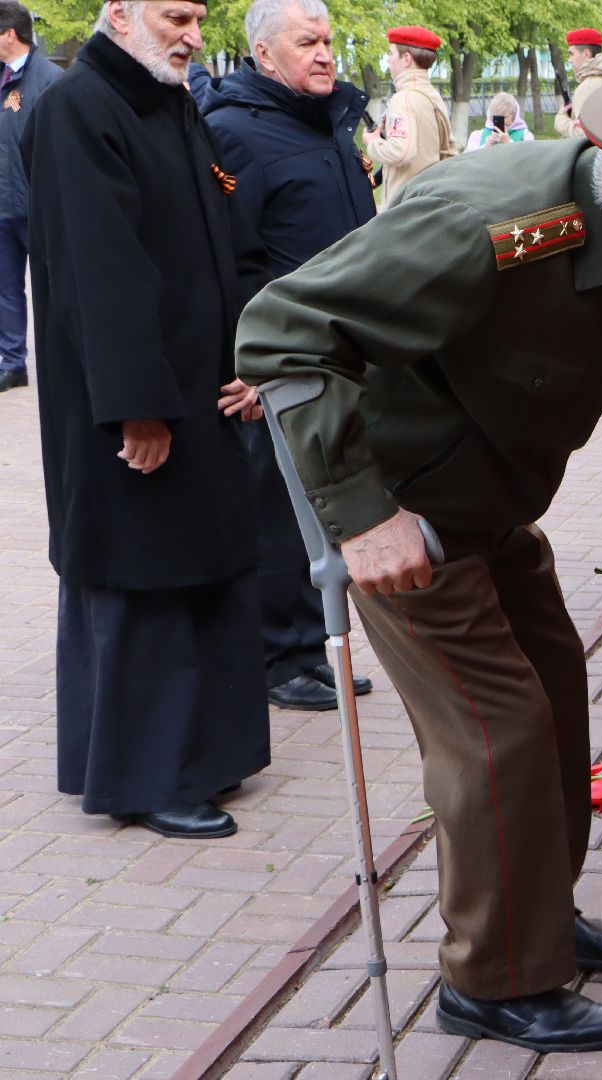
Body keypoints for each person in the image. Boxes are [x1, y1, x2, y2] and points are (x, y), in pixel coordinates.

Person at [236, 73, 602, 1054]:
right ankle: (494, 980)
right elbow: (284, 329)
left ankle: (534, 917)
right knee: (497, 731)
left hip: (493, 507)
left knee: (555, 699)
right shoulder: (489, 231)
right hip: (403, 520)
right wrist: (359, 517)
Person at [22, 0, 272, 839]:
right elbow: (101, 273)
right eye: (178, 16)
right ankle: (149, 776)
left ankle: (206, 756)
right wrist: (137, 408)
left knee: (202, 565)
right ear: (120, 13)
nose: (194, 36)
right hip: (130, 404)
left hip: (202, 387)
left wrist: (249, 358)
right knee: (144, 579)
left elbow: (228, 244)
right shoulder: (76, 110)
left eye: (200, 19)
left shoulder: (174, 102)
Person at [198, 0, 377, 711]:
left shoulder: (326, 122)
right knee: (277, 509)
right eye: (308, 42)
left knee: (320, 498)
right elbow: (230, 260)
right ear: (265, 55)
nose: (326, 54)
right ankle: (281, 655)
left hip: (339, 349)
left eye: (329, 40)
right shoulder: (235, 131)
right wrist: (253, 361)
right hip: (278, 360)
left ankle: (314, 642)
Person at [0, 0, 60, 393]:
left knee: (53, 288)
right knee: (5, 289)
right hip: (3, 206)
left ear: (9, 34)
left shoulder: (51, 79)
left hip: (40, 207)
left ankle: (61, 360)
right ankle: (12, 362)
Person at [364, 23, 453, 207]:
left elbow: (401, 152)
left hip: (405, 207)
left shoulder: (403, 99)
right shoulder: (431, 94)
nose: (388, 60)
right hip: (430, 200)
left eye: (390, 53)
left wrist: (373, 143)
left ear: (406, 58)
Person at [552, 27, 602, 138]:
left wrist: (561, 120)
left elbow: (583, 135)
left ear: (586, 54)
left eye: (571, 54)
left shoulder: (588, 87)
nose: (569, 60)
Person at [465, 90, 534, 152]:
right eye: (497, 118)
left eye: (504, 117)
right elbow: (467, 159)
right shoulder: (478, 135)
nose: (501, 122)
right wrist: (486, 146)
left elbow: (530, 159)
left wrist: (509, 142)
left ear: (514, 115)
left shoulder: (525, 135)